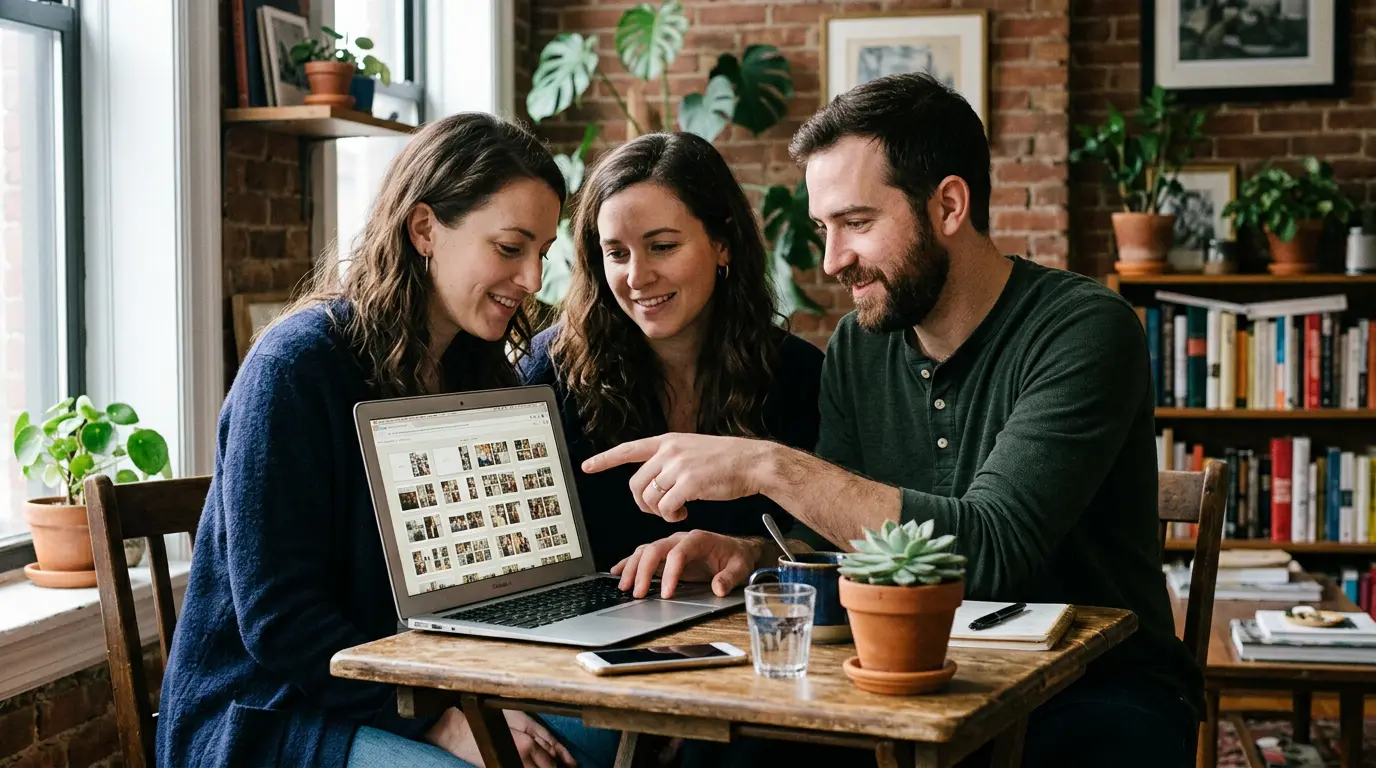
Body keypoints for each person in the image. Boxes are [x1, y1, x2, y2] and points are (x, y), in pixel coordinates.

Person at [581, 74, 1204, 767]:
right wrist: (752, 555)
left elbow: (993, 552)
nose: (831, 260)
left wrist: (767, 462)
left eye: (856, 223)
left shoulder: (1084, 330)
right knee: (721, 758)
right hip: (903, 676)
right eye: (824, 229)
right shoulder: (859, 345)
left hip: (1094, 691)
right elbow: (835, 540)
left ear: (948, 205)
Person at [157, 113, 612, 768]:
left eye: (542, 252)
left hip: (421, 683)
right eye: (511, 248)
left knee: (619, 739)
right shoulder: (295, 366)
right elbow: (280, 622)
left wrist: (486, 698)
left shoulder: (470, 366)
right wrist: (439, 723)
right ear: (425, 228)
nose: (534, 279)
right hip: (273, 713)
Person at [520, 131, 823, 600]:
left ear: (722, 243)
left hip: (751, 644)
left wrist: (754, 551)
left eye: (662, 246)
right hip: (584, 646)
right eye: (616, 253)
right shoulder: (549, 370)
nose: (637, 277)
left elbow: (830, 548)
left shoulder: (800, 374)